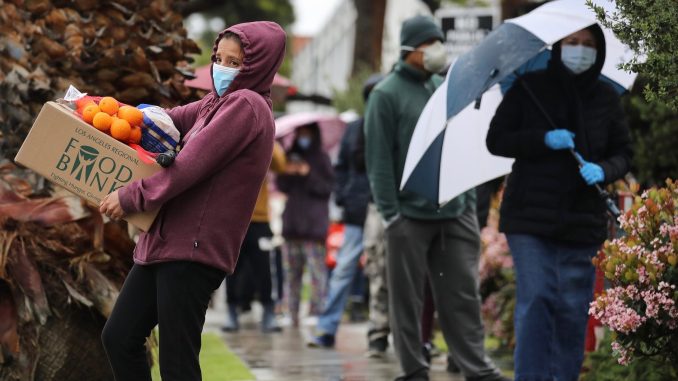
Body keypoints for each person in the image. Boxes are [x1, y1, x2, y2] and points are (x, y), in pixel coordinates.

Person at [98, 21, 286, 381]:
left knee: (178, 364)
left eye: (235, 62)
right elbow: (162, 118)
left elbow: (187, 167)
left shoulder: (246, 107)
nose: (222, 68)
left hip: (194, 251)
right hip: (164, 243)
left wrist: (131, 196)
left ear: (257, 65)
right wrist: (95, 112)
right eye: (219, 58)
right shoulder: (214, 103)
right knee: (120, 337)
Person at [364, 15, 508, 381]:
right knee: (407, 300)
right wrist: (391, 215)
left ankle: (476, 367)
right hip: (408, 216)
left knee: (463, 295)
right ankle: (414, 368)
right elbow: (378, 161)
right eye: (430, 43)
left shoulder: (441, 87)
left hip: (454, 209)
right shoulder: (385, 95)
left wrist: (467, 198)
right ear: (411, 49)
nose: (437, 50)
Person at [486, 25, 631, 381]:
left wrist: (604, 169)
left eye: (587, 44)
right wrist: (542, 139)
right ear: (557, 46)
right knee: (536, 299)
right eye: (572, 43)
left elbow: (623, 153)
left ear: (598, 52)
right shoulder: (529, 89)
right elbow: (497, 140)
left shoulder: (605, 99)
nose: (579, 50)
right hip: (529, 218)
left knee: (571, 308)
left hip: (582, 221)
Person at [308, 75, 382, 348]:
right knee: (343, 270)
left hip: (383, 210)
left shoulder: (390, 128)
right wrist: (342, 195)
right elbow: (342, 167)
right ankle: (327, 328)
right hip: (355, 211)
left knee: (382, 274)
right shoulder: (355, 129)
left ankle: (381, 333)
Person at [223, 141, 287, 333]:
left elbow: (280, 165)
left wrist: (268, 136)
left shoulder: (265, 147)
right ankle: (232, 311)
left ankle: (268, 311)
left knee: (264, 268)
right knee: (231, 269)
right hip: (234, 220)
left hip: (260, 220)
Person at [276, 124, 334, 327]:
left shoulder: (322, 158)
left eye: (307, 134)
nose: (303, 138)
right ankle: (290, 313)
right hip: (292, 226)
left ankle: (316, 311)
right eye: (300, 134)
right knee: (291, 274)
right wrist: (287, 172)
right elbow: (282, 185)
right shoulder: (291, 155)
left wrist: (308, 173)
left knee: (317, 273)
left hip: (314, 227)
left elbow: (327, 188)